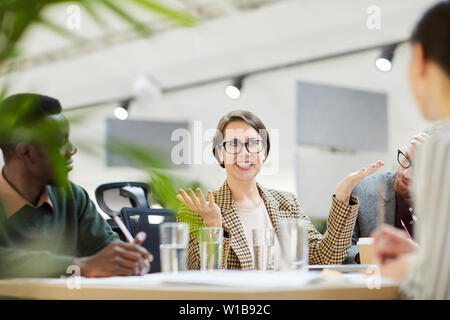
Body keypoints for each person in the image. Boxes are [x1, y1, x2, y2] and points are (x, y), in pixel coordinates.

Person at [176, 110, 384, 270]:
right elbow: (198, 275)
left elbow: (325, 258)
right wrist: (213, 226)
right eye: (233, 144)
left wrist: (342, 196)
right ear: (220, 153)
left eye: (253, 143)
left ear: (264, 151)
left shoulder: (286, 202)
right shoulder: (197, 209)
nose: (244, 153)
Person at [0, 93, 153, 278]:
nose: (72, 150)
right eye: (60, 141)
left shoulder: (72, 196)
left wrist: (126, 258)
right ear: (26, 152)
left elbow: (106, 251)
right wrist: (79, 265)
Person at [371, 0, 450, 299]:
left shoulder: (440, 146)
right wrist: (422, 258)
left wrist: (410, 273)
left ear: (419, 58)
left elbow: (435, 291)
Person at [344, 131, 428, 264]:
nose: (407, 173)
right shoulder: (364, 190)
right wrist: (369, 255)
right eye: (407, 158)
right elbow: (339, 252)